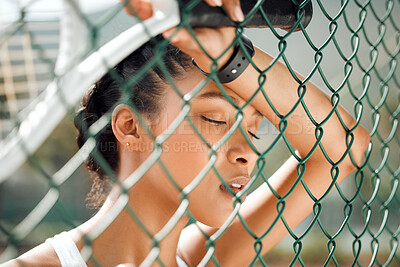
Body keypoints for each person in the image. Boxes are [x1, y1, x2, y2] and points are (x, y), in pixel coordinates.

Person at [3, 0, 370, 266]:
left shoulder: (201, 257)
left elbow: (344, 147)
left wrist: (230, 56)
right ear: (131, 127)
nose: (248, 153)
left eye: (255, 129)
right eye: (214, 119)